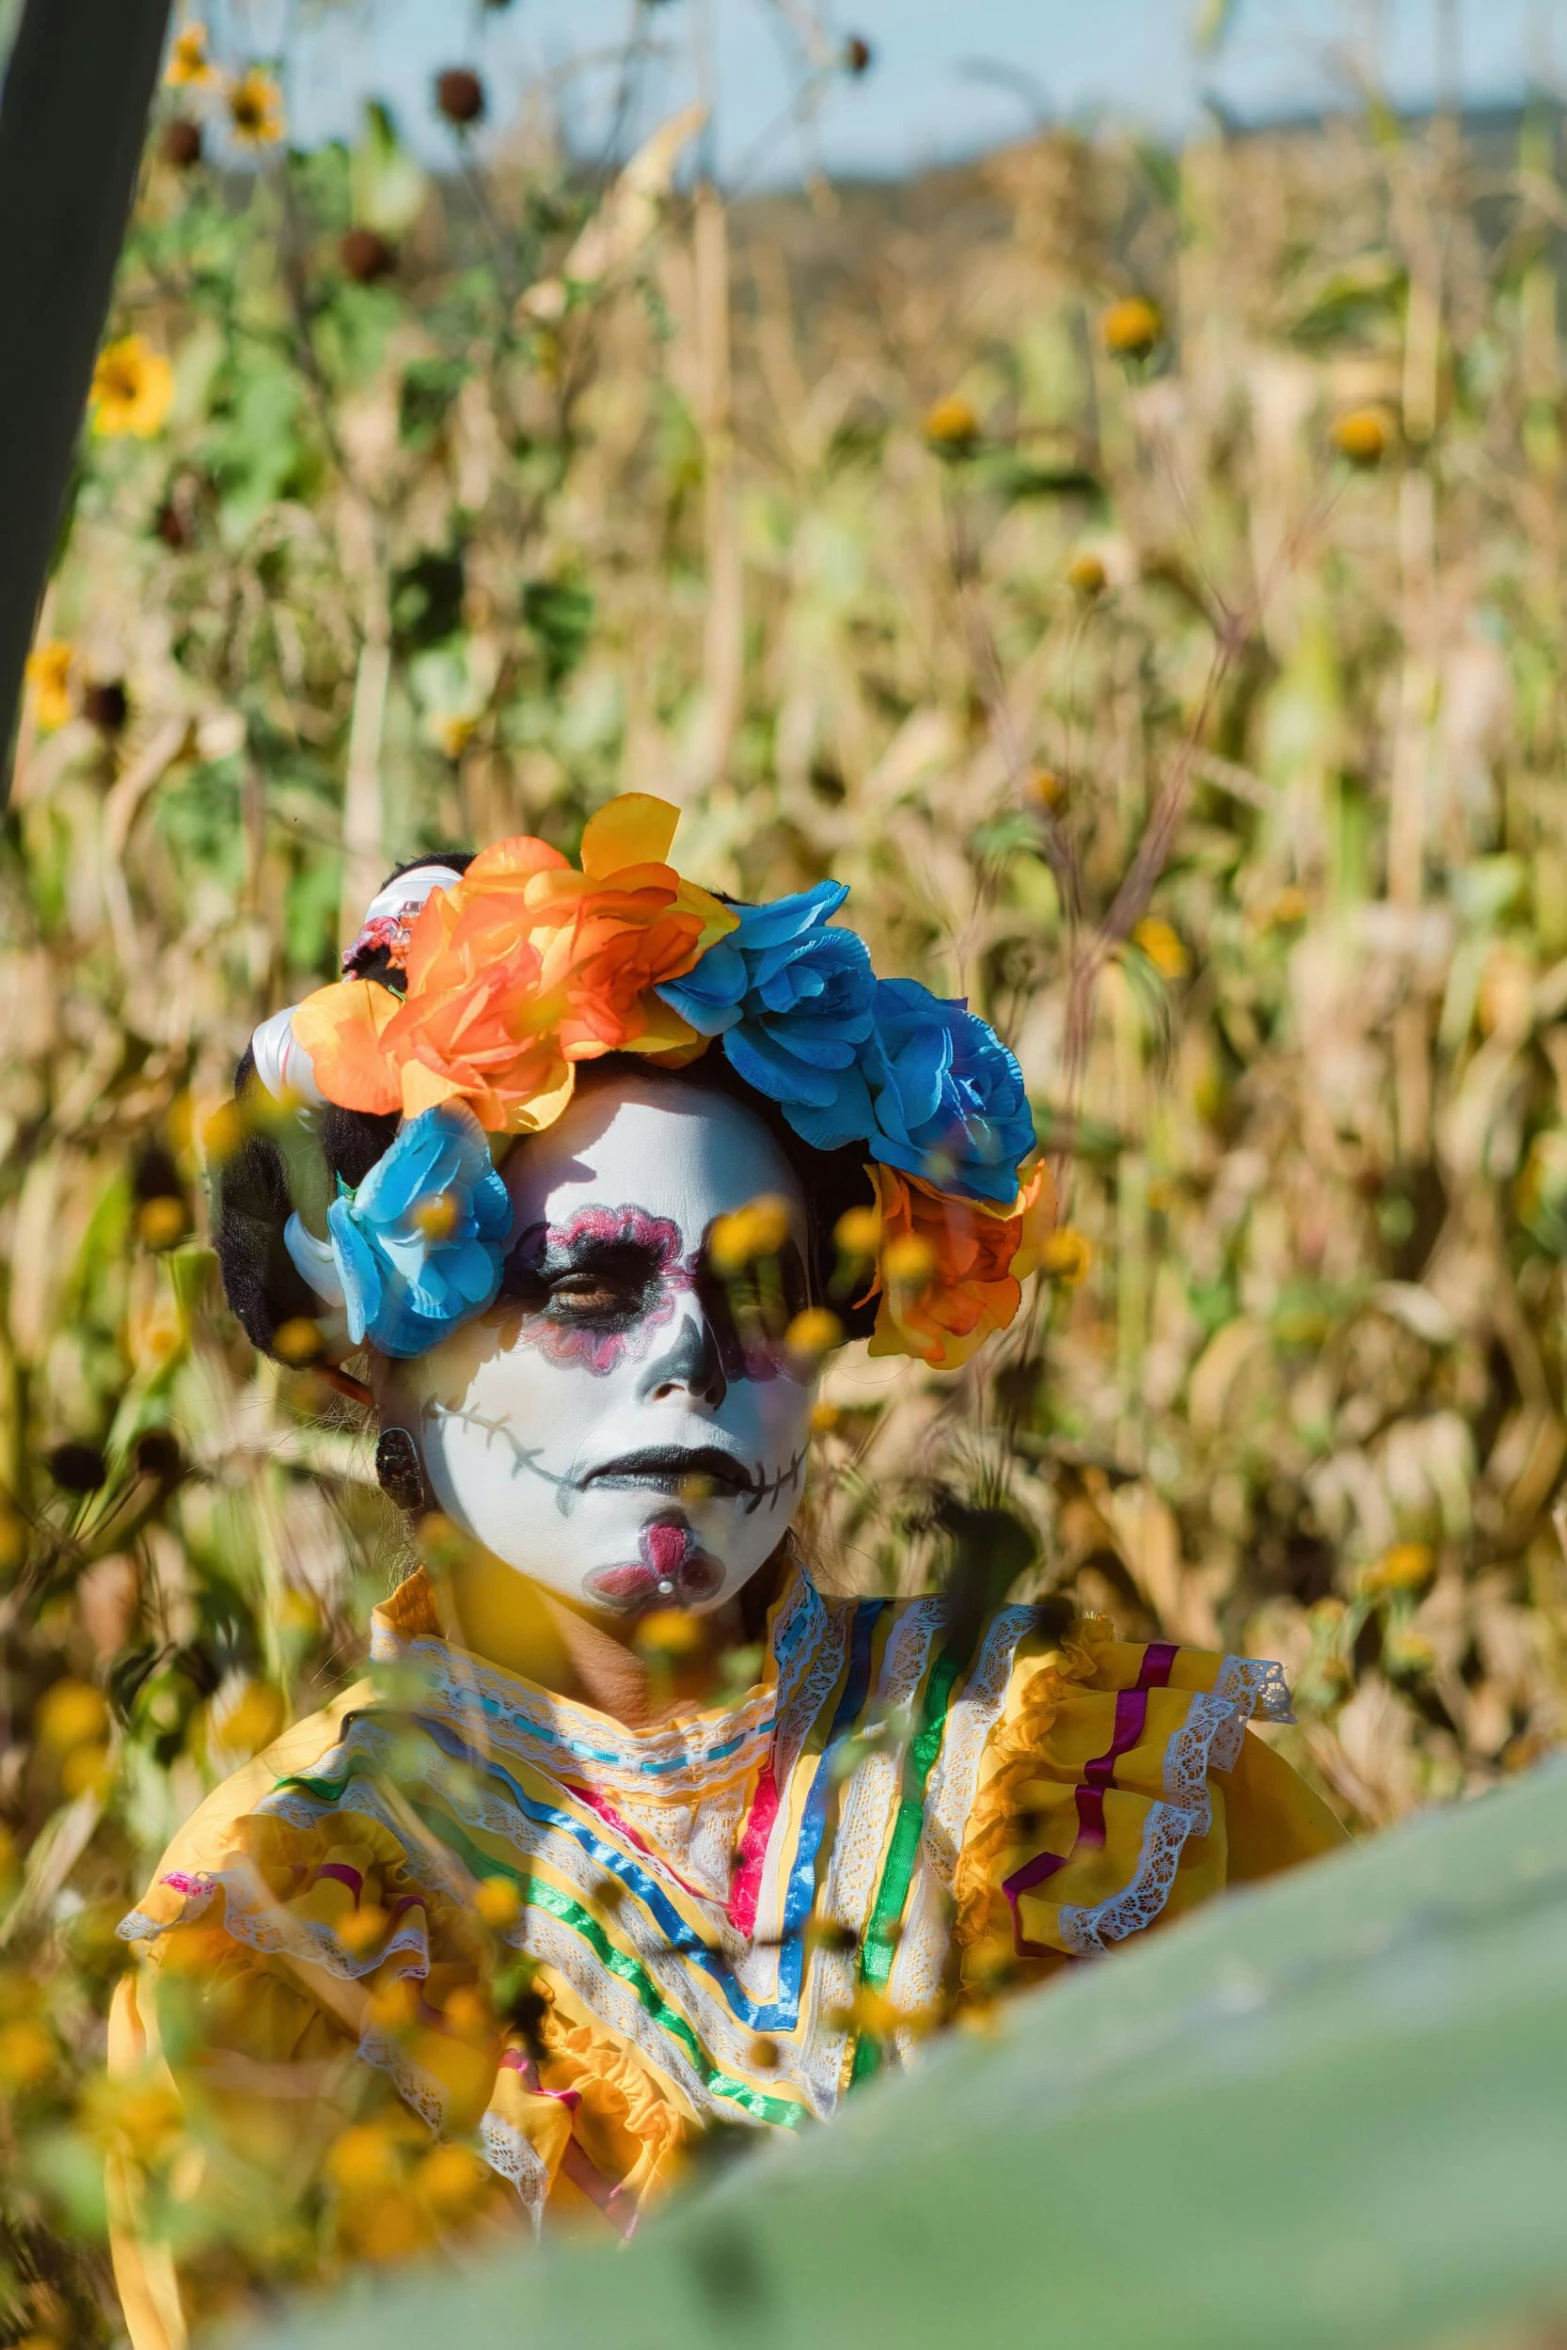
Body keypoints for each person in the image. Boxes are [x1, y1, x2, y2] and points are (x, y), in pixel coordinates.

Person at [106, 795, 1344, 2346]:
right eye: (587, 1283)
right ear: (385, 1353)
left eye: (761, 1291)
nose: (689, 1358)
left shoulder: (1095, 1775)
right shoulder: (289, 1925)